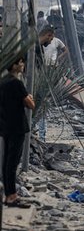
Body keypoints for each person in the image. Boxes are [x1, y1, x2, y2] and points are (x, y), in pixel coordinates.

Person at [0, 57, 35, 208]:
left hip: (5, 126)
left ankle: (9, 194)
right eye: (20, 63)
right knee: (12, 162)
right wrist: (30, 98)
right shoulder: (16, 83)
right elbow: (30, 105)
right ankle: (11, 197)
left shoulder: (3, 82)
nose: (23, 65)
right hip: (17, 127)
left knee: (7, 161)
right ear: (14, 66)